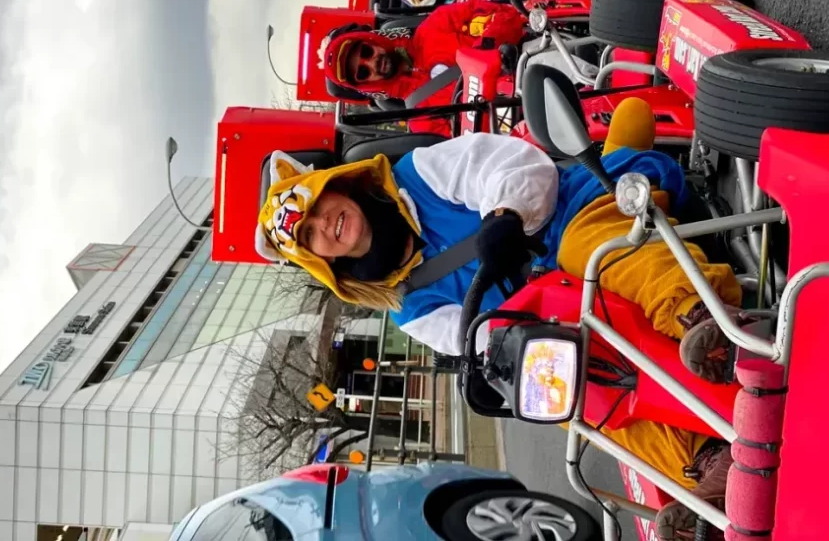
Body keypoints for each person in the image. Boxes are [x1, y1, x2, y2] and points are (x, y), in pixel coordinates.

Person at [256, 98, 742, 539]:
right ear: (319, 260)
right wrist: (497, 359)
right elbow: (468, 338)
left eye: (317, 207)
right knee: (572, 393)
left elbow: (507, 166)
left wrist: (506, 214)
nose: (326, 223)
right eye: (311, 235)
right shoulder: (406, 307)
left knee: (584, 250)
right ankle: (709, 464)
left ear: (333, 186)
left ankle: (703, 318)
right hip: (551, 312)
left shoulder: (417, 174)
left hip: (568, 218)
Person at [320, 0, 527, 105]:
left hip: (531, 57)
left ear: (371, 40)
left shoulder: (435, 25)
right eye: (363, 72)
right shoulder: (420, 117)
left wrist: (488, 51)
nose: (372, 62)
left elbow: (505, 14)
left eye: (366, 52)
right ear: (365, 84)